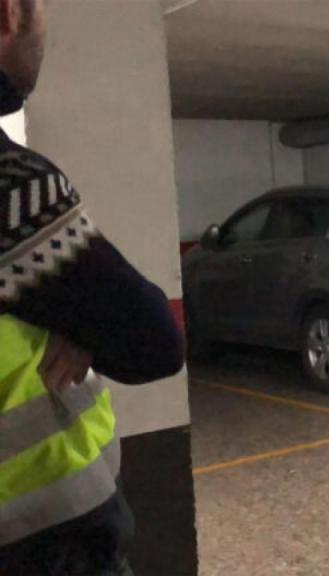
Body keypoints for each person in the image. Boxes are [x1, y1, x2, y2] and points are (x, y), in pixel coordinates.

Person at [0, 0, 186, 573]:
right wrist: (80, 321)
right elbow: (153, 341)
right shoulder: (14, 190)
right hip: (42, 544)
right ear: (9, 14)